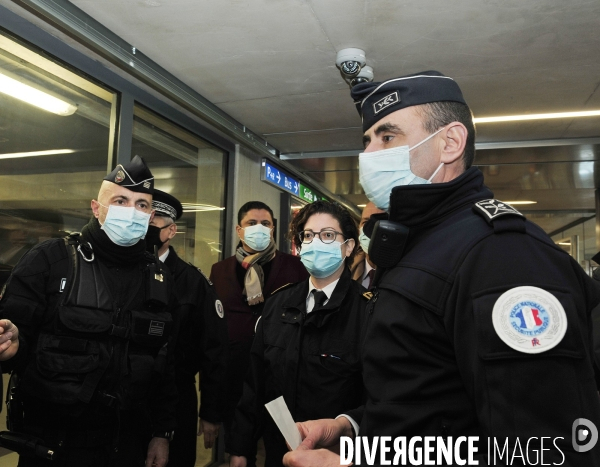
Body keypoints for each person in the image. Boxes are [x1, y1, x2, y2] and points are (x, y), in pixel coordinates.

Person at [283, 71, 600, 466]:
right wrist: (352, 428)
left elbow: (545, 449)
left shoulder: (501, 253)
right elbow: (427, 398)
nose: (368, 155)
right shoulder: (422, 244)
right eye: (367, 141)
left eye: (387, 137)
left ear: (450, 143)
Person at [0, 155, 177, 467]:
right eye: (121, 200)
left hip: (127, 442)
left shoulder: (157, 277)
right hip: (54, 442)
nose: (131, 211)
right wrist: (11, 346)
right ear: (97, 208)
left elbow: (166, 362)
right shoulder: (51, 260)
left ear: (151, 216)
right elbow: (15, 340)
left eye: (142, 205)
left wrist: (162, 432)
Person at [229, 200, 369, 467]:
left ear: (348, 246)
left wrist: (347, 428)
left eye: (328, 235)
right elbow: (255, 383)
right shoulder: (279, 303)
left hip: (336, 456)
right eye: (308, 235)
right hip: (278, 453)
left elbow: (378, 396)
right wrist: (240, 446)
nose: (316, 242)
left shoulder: (367, 311)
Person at [210, 201, 309, 463]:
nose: (259, 229)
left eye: (265, 224)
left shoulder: (295, 268)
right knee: (239, 455)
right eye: (251, 223)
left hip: (279, 377)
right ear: (239, 230)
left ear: (273, 229)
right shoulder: (220, 271)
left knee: (284, 453)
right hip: (236, 377)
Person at [146, 189, 229, 467]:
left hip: (177, 395)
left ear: (170, 231)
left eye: (152, 223)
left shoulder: (193, 282)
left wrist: (211, 412)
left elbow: (214, 349)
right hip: (129, 397)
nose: (143, 228)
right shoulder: (122, 272)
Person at [349, 202, 385, 288]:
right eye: (365, 223)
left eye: (379, 222)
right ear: (359, 231)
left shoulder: (405, 274)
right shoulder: (343, 269)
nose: (370, 229)